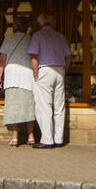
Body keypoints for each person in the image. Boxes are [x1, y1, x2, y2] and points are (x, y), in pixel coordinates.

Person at [29, 12, 71, 148]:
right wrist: (64, 70)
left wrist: (35, 73)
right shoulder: (60, 36)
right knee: (59, 106)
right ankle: (59, 139)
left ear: (40, 23)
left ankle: (47, 140)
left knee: (44, 106)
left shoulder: (38, 36)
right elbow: (68, 57)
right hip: (59, 70)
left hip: (45, 70)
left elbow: (34, 57)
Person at [0, 16, 37, 147]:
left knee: (12, 107)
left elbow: (2, 59)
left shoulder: (8, 39)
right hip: (27, 76)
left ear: (14, 26)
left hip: (12, 76)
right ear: (27, 27)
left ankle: (15, 137)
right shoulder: (31, 40)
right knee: (29, 106)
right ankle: (31, 136)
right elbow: (35, 57)